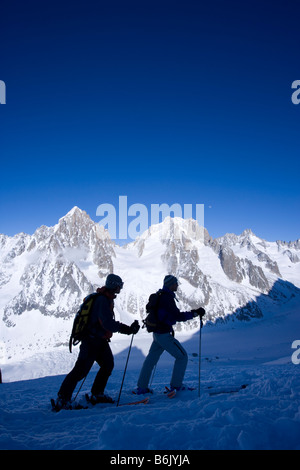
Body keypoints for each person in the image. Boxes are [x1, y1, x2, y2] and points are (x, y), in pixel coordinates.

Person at [55, 274, 140, 409]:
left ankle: (97, 394)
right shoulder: (102, 301)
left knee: (107, 365)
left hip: (99, 341)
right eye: (119, 286)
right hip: (92, 341)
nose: (120, 289)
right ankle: (63, 399)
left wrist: (127, 329)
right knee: (81, 370)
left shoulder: (105, 299)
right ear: (114, 285)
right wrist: (128, 329)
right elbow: (107, 323)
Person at [136, 274, 205, 394]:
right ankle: (177, 386)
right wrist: (194, 314)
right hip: (164, 335)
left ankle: (142, 387)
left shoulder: (160, 295)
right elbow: (177, 316)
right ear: (171, 284)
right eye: (176, 283)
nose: (177, 285)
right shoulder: (167, 298)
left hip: (157, 334)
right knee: (182, 356)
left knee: (150, 360)